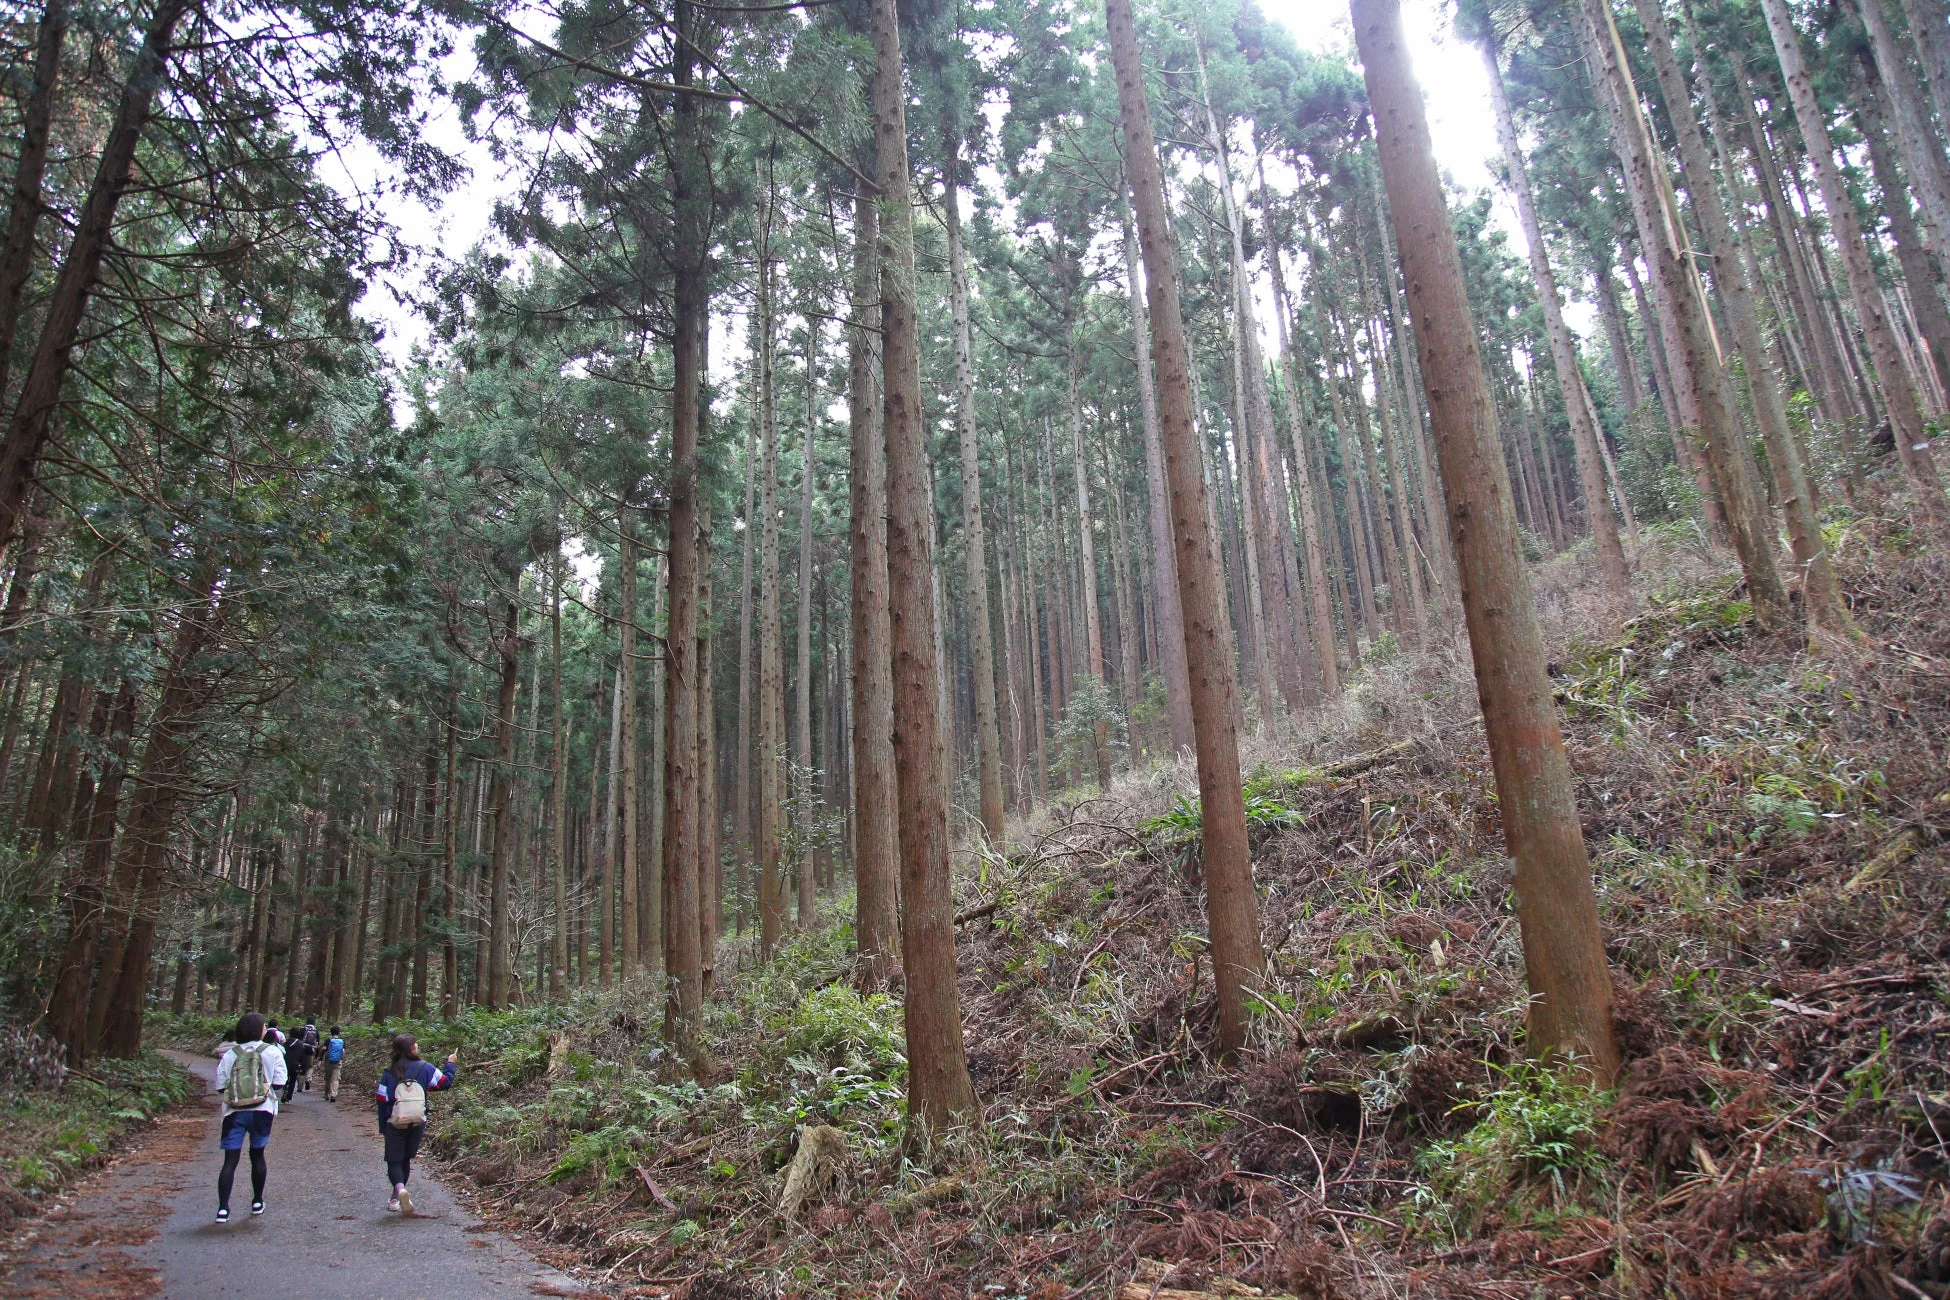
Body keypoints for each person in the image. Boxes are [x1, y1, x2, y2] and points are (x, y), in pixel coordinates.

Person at [212, 1012, 288, 1222]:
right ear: (259, 1030)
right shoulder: (271, 1052)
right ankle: (257, 1200)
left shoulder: (231, 1054)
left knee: (230, 1160)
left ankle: (223, 1209)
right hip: (262, 1110)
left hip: (233, 1112)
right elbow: (280, 1084)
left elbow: (220, 1086)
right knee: (257, 1155)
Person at [375, 1034, 458, 1216]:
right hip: (417, 1121)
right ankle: (396, 1197)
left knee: (394, 1160)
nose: (417, 1045)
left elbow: (382, 1098)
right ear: (411, 1049)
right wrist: (451, 1064)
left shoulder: (390, 1071)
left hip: (394, 1122)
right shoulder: (424, 1067)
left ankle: (399, 1191)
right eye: (415, 1043)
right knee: (405, 1158)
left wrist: (383, 1126)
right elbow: (444, 1083)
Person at [284, 1029, 314, 1101]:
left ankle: (285, 1091)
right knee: (293, 1080)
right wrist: (303, 1067)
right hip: (296, 1065)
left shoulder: (285, 1043)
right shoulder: (301, 1044)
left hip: (286, 1064)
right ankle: (289, 1096)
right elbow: (303, 1056)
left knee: (285, 1079)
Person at [321, 1026, 346, 1102]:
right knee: (335, 1079)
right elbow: (344, 1052)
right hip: (338, 1062)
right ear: (339, 1032)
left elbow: (323, 1050)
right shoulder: (342, 1041)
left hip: (328, 1061)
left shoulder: (328, 1040)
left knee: (328, 1078)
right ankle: (333, 1094)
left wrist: (320, 1060)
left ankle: (326, 1094)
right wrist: (341, 1059)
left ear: (331, 1032)